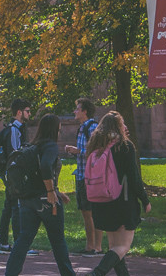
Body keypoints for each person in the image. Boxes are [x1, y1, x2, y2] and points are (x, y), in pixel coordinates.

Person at [4, 114, 75, 276]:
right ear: (54, 129)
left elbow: (36, 175)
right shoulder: (50, 146)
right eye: (59, 128)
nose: (60, 131)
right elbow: (44, 167)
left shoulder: (34, 145)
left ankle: (10, 273)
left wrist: (57, 192)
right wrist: (51, 192)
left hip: (28, 199)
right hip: (46, 200)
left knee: (23, 240)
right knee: (58, 241)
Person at [82, 111, 150, 276]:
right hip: (122, 201)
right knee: (123, 247)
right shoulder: (124, 146)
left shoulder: (96, 146)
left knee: (115, 248)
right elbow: (133, 176)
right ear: (119, 126)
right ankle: (96, 273)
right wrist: (145, 199)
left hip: (102, 201)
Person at [65, 98, 103, 257]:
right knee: (85, 211)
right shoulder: (82, 128)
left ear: (85, 111)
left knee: (92, 211)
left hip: (91, 177)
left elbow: (98, 152)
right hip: (81, 175)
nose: (74, 111)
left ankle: (97, 247)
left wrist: (77, 151)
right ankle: (89, 246)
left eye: (77, 109)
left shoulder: (92, 127)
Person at [0, 98, 34, 255]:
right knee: (16, 208)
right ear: (19, 112)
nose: (29, 114)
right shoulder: (14, 129)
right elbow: (15, 153)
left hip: (11, 174)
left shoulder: (18, 128)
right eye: (27, 111)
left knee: (9, 207)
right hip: (13, 175)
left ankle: (4, 244)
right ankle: (19, 245)